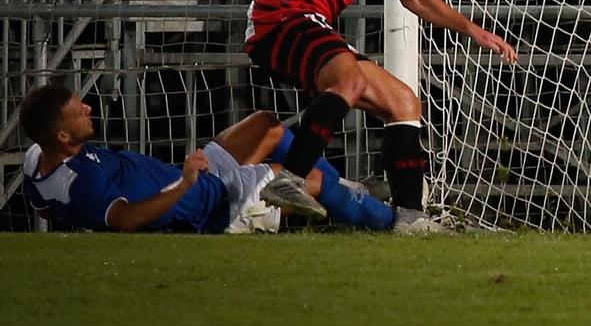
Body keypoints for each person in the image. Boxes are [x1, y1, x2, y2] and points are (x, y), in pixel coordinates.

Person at [129, 0, 518, 233]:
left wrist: (471, 29)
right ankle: (290, 180)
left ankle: (411, 219)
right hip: (277, 19)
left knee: (404, 103)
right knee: (349, 80)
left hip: (315, 27)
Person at [19, 84, 394, 233]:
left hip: (198, 175)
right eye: (77, 111)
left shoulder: (39, 157)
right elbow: (124, 221)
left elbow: (45, 209)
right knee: (299, 178)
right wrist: (184, 184)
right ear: (64, 136)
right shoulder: (82, 183)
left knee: (267, 126)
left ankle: (349, 192)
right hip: (210, 202)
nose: (87, 107)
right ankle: (395, 223)